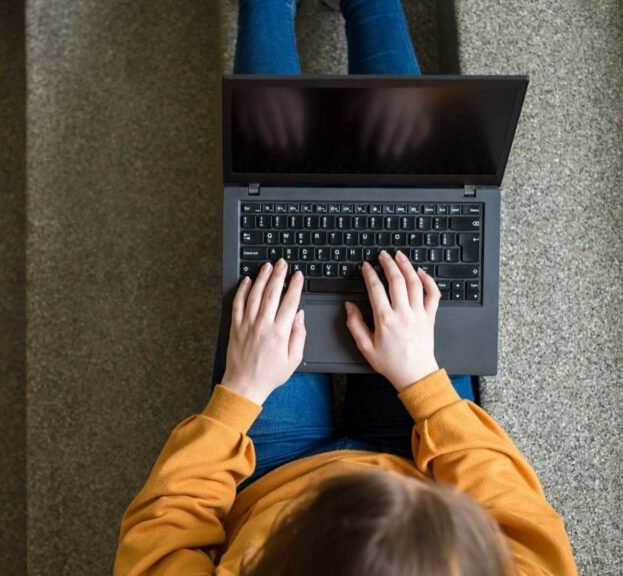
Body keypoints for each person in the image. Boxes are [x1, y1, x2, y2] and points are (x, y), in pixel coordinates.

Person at [114, 1, 578, 574]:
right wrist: (424, 382)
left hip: (271, 473)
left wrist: (239, 394)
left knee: (274, 188)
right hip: (414, 445)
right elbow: (516, 514)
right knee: (412, 189)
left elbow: (163, 530)